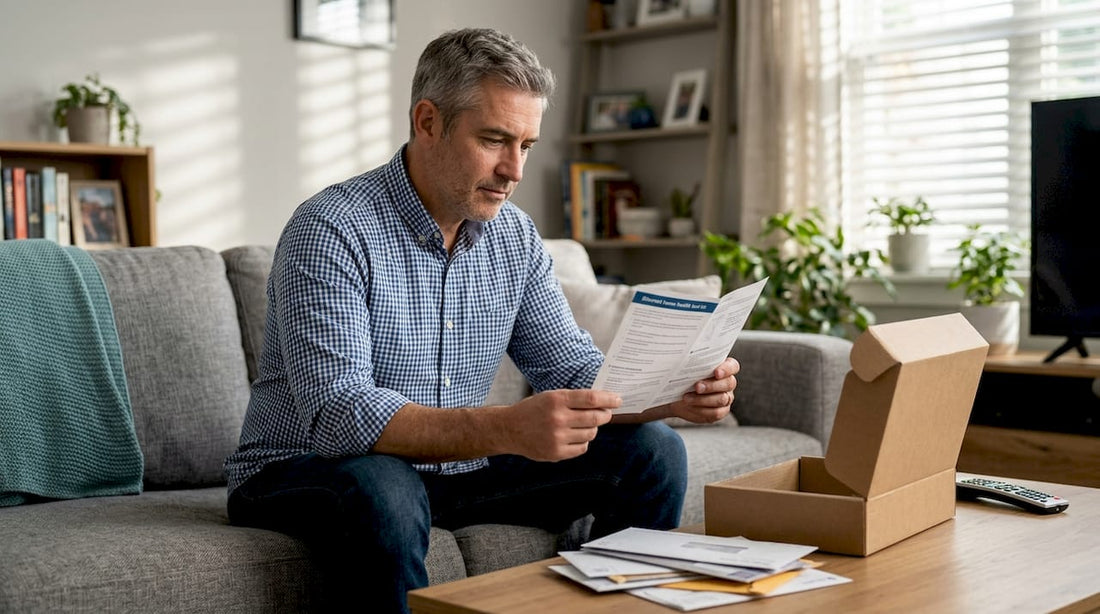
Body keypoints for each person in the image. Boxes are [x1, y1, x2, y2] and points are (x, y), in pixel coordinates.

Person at [224, 27, 739, 614]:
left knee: (653, 451)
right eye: (495, 140)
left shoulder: (514, 237)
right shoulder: (332, 229)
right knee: (384, 487)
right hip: (300, 469)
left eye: (526, 145)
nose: (514, 169)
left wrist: (673, 394)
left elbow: (571, 368)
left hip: (451, 473)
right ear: (427, 122)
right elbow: (341, 414)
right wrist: (505, 428)